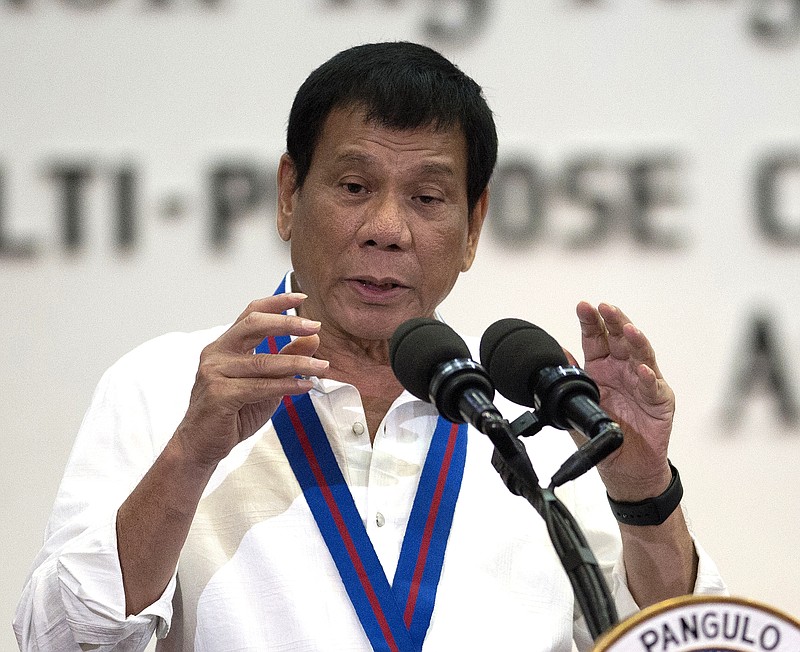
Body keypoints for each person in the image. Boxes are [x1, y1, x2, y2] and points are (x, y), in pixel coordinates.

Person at [14, 41, 725, 652]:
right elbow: (61, 640)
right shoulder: (165, 386)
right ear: (290, 194)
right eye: (354, 186)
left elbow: (682, 643)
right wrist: (191, 453)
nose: (387, 227)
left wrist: (641, 492)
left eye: (427, 198)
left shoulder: (536, 415)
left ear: (473, 225)